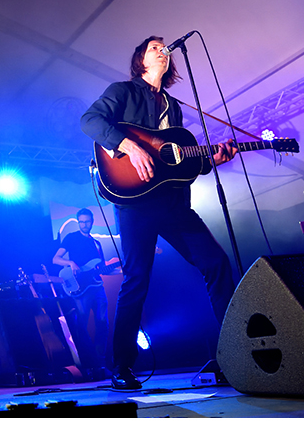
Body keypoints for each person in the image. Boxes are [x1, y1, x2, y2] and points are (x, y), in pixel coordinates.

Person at [80, 35, 237, 390]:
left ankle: (235, 351)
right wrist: (126, 145)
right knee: (137, 279)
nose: (162, 50)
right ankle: (121, 366)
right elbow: (89, 120)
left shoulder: (175, 107)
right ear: (141, 60)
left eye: (164, 47)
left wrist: (212, 159)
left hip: (172, 203)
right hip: (135, 202)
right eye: (154, 47)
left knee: (216, 262)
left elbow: (181, 164)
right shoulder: (123, 91)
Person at [53, 208, 114, 380]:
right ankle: (89, 363)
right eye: (81, 221)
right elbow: (55, 259)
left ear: (92, 221)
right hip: (80, 289)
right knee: (81, 325)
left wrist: (122, 269)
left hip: (97, 287)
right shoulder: (71, 237)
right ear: (78, 221)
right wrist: (71, 262)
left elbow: (101, 270)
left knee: (103, 323)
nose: (84, 224)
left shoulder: (97, 243)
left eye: (87, 221)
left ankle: (100, 363)